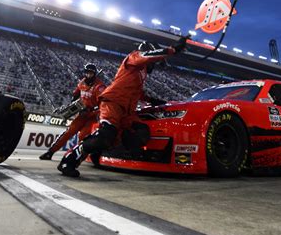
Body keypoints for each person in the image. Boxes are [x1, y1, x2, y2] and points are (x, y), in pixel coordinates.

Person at [57, 35, 189, 177]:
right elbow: (148, 56)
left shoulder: (140, 74)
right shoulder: (133, 57)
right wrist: (172, 49)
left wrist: (155, 101)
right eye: (154, 62)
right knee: (105, 135)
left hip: (126, 112)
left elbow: (137, 93)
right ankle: (68, 161)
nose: (154, 65)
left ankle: (100, 151)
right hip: (113, 102)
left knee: (140, 132)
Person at [39, 63, 106, 160]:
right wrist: (72, 104)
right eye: (87, 73)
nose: (88, 75)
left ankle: (76, 158)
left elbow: (103, 104)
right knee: (68, 132)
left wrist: (91, 109)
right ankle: (50, 152)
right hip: (81, 114)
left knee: (83, 136)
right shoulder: (82, 82)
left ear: (94, 74)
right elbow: (75, 94)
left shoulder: (100, 87)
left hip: (92, 117)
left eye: (90, 73)